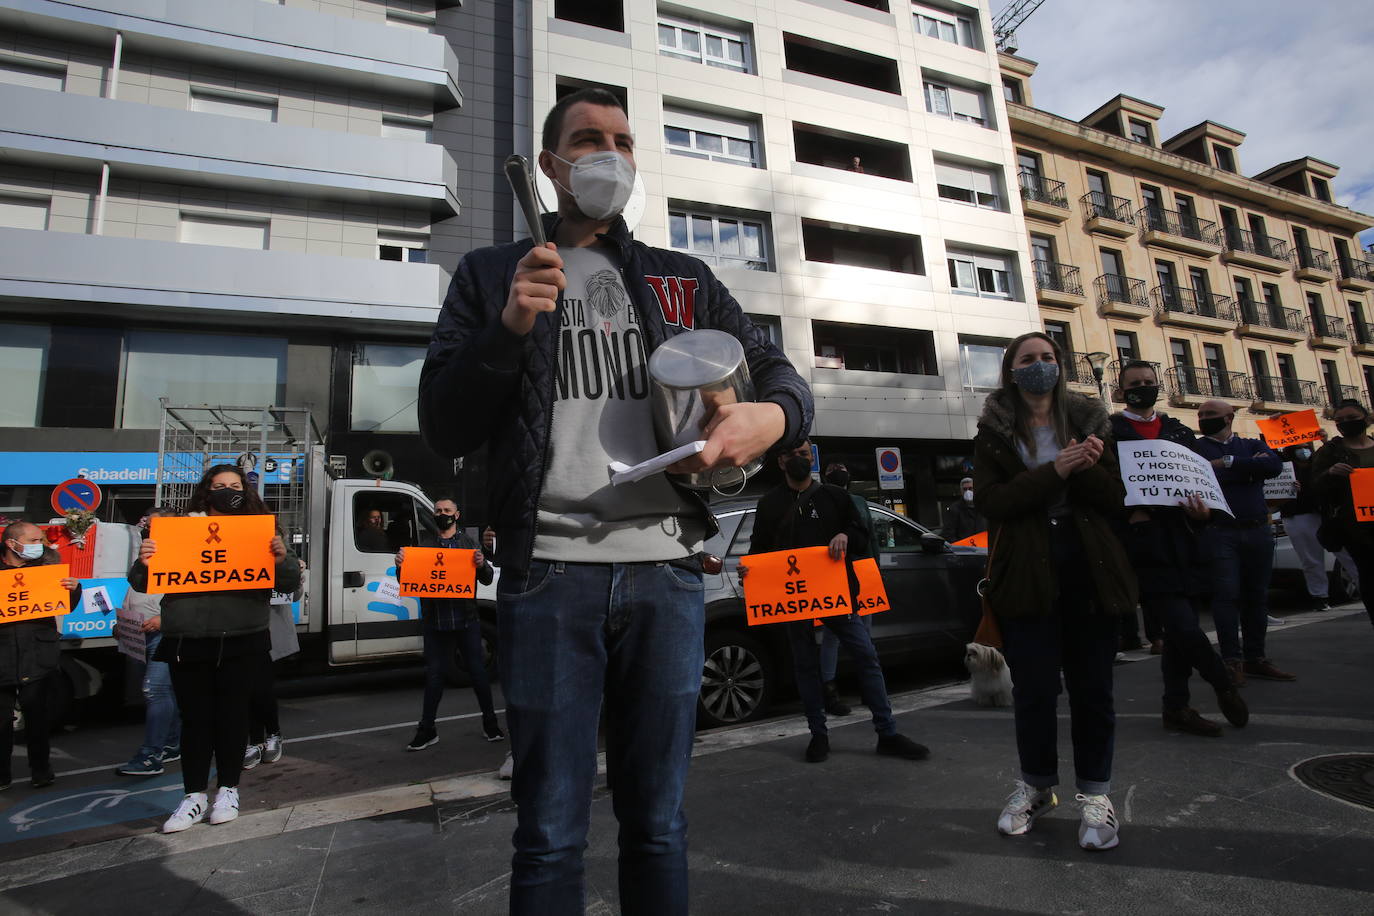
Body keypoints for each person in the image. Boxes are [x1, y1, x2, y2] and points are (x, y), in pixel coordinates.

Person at [416, 87, 811, 914]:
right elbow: (442, 422)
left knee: (658, 822)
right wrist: (507, 331)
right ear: (552, 164)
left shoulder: (683, 279)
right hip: (549, 575)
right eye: (588, 140)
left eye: (624, 142)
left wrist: (767, 420)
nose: (610, 156)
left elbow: (779, 378)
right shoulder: (493, 273)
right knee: (550, 829)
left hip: (666, 573)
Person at [974, 331, 1136, 851]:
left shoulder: (1091, 423)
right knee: (1037, 691)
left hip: (1088, 567)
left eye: (1048, 357)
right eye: (1028, 359)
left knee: (1093, 689)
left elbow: (1114, 498)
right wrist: (1056, 471)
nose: (1040, 366)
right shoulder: (994, 433)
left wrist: (1085, 469)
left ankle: (1096, 795)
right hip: (1027, 573)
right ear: (1011, 371)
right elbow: (993, 503)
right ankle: (1038, 786)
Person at [130, 465, 301, 833]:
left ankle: (228, 790)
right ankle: (192, 796)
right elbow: (143, 581)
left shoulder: (264, 529)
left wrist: (280, 558)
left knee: (233, 717)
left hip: (242, 636)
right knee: (195, 720)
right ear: (206, 491)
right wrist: (144, 561)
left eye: (235, 486)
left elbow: (289, 583)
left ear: (247, 491)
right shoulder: (178, 530)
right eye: (220, 485)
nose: (227, 491)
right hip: (187, 639)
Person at [747, 441, 929, 764]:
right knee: (805, 664)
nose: (799, 459)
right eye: (793, 455)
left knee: (866, 655)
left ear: (811, 458)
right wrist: (750, 568)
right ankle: (818, 735)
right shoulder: (769, 504)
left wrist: (845, 536)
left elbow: (860, 535)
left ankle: (887, 732)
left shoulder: (835, 497)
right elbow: (759, 549)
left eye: (804, 454)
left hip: (837, 595)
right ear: (781, 461)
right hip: (795, 600)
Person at [1110, 362, 1248, 738]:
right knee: (1182, 625)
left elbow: (1196, 479)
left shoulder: (1179, 432)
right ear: (1121, 390)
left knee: (1177, 632)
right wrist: (1128, 512)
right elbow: (1101, 486)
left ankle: (1177, 706)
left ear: (1159, 387)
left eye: (1149, 383)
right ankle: (1222, 681)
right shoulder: (1109, 432)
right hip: (1142, 544)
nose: (1143, 388)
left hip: (1185, 540)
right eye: (1135, 384)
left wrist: (1203, 515)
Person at [1191, 400, 1294, 685]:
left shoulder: (1249, 444)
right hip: (1220, 531)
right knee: (1226, 596)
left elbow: (1272, 465)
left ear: (1229, 417)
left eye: (1210, 414)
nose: (1203, 418)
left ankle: (1255, 658)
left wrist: (1228, 463)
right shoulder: (1196, 449)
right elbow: (1201, 475)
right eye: (1201, 415)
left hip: (1258, 529)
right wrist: (1250, 471)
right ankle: (1231, 660)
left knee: (1257, 596)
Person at [402, 497, 500, 751]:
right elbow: (411, 579)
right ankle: (427, 729)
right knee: (434, 676)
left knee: (478, 673)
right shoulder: (424, 546)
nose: (441, 513)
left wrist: (481, 565)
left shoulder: (469, 544)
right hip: (436, 621)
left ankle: (490, 724)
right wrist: (401, 566)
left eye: (447, 510)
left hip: (466, 619)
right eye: (437, 510)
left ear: (457, 515)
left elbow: (488, 578)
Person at [1, 521, 80, 790]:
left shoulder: (46, 571)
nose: (40, 546)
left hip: (37, 656)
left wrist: (73, 590)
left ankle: (41, 771)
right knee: (2, 724)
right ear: (12, 543)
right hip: (2, 657)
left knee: (37, 720)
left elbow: (64, 605)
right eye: (34, 540)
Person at [116, 507, 183, 777]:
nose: (150, 532)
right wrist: (122, 622)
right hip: (141, 632)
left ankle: (150, 755)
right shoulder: (145, 554)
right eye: (149, 527)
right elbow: (134, 591)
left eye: (157, 528)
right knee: (164, 692)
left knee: (155, 690)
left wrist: (163, 621)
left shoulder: (184, 556)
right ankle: (171, 743)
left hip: (165, 634)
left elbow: (191, 600)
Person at [815, 462, 876, 716]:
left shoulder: (840, 501)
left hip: (849, 572)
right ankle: (864, 688)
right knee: (858, 633)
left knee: (840, 637)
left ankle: (841, 688)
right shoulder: (855, 502)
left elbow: (867, 536)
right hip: (849, 573)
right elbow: (870, 537)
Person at [1310, 399, 1374, 630]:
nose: (1345, 424)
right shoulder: (1331, 451)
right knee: (1368, 573)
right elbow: (1313, 486)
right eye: (1340, 421)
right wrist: (1330, 473)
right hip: (1355, 527)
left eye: (1351, 418)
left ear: (1365, 419)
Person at [941, 477, 986, 543]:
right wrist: (962, 547)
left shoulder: (983, 507)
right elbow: (948, 534)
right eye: (965, 489)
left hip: (983, 549)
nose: (968, 491)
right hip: (965, 550)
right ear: (961, 491)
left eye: (970, 488)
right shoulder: (954, 509)